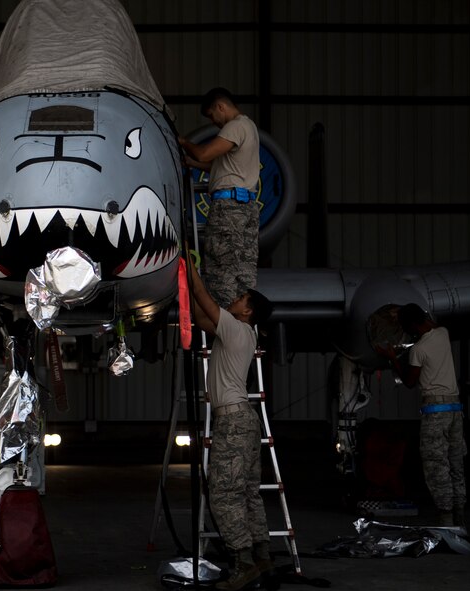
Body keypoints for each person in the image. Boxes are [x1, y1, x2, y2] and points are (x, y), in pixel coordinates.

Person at [188, 260, 274, 591]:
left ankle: (242, 562)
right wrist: (186, 289)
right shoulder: (241, 332)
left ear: (248, 311)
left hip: (233, 420)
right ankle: (262, 555)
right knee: (249, 491)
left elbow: (202, 295)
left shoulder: (236, 328)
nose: (235, 299)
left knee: (224, 493)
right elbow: (199, 316)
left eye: (241, 298)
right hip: (245, 418)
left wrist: (186, 266)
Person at [379, 303, 466, 527]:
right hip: (455, 411)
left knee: (436, 466)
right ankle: (460, 517)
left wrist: (392, 357)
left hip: (435, 413)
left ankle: (446, 519)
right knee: (456, 464)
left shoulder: (418, 350)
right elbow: (429, 324)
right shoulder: (443, 333)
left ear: (411, 326)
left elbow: (409, 382)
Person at [178, 87, 260, 310]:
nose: (214, 123)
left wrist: (184, 142)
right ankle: (245, 320)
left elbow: (204, 153)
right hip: (247, 206)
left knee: (221, 270)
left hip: (229, 208)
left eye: (213, 116)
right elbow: (220, 165)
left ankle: (224, 323)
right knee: (243, 271)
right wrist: (193, 165)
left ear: (220, 107)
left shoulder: (235, 126)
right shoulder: (249, 126)